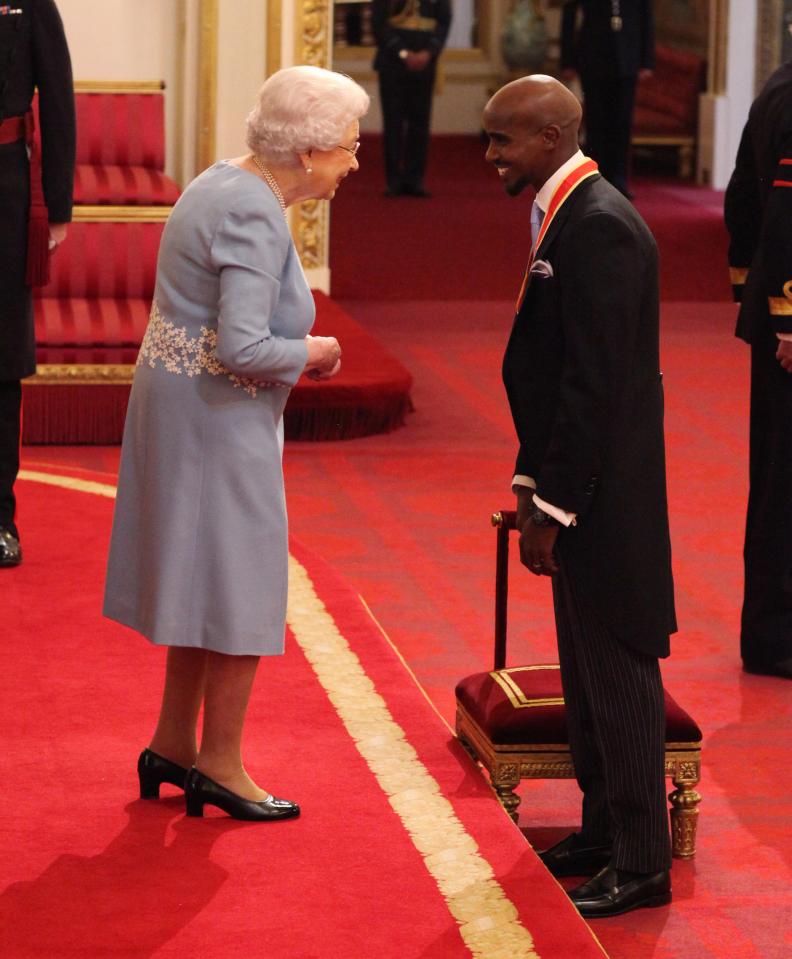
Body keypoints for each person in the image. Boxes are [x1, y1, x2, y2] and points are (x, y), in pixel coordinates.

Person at [103, 66, 369, 821]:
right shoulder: (254, 214)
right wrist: (315, 353)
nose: (353, 164)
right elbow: (243, 348)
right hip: (216, 418)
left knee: (199, 579)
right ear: (310, 150)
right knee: (241, 581)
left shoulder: (221, 180)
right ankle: (219, 761)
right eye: (347, 148)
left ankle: (172, 743)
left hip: (184, 409)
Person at [482, 75, 676, 917]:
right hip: (580, 486)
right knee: (587, 676)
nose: (490, 155)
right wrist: (533, 485)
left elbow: (593, 387)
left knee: (621, 674)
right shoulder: (572, 212)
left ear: (554, 135)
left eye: (503, 140)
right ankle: (602, 830)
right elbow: (558, 373)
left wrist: (553, 505)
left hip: (604, 497)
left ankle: (641, 859)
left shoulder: (599, 227)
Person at [0, 0, 75, 567]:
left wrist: (57, 201)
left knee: (1, 363)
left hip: (5, 188)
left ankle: (0, 516)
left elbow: (58, 97)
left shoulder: (31, 3)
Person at [724, 58, 792, 680]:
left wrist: (746, 283)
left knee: (774, 475)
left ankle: (770, 631)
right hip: (790, 321)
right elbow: (789, 218)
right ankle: (776, 638)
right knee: (784, 485)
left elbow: (742, 194)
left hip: (772, 311)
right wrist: (790, 316)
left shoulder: (775, 82)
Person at [560, 0, 653, 198]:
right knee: (596, 121)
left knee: (622, 123)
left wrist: (646, 60)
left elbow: (646, 18)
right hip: (593, 58)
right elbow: (569, 16)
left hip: (627, 60)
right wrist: (567, 60)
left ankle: (619, 179)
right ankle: (594, 177)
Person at [372, 0, 451, 197]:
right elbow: (378, 23)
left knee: (420, 123)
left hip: (425, 65)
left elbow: (443, 22)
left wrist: (429, 52)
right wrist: (403, 53)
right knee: (393, 123)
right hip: (392, 64)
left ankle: (415, 179)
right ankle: (394, 181)